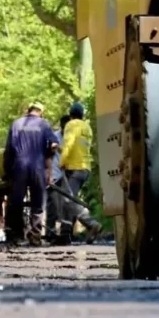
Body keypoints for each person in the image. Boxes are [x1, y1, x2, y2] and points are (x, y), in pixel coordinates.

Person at [3, 101, 59, 246]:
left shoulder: (16, 124)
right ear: (41, 112)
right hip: (37, 167)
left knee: (16, 203)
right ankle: (35, 236)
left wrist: (8, 171)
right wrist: (48, 168)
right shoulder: (44, 124)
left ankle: (17, 236)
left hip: (19, 167)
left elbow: (8, 151)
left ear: (28, 110)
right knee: (38, 202)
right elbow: (53, 145)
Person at [60, 101, 103, 244]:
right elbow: (81, 147)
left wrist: (62, 161)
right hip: (85, 167)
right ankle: (65, 234)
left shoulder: (71, 125)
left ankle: (91, 223)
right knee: (67, 200)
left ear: (71, 115)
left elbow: (69, 143)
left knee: (68, 199)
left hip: (74, 167)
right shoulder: (87, 127)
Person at [46, 114, 75, 245]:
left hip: (69, 173)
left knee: (68, 204)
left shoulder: (74, 137)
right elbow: (49, 156)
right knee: (52, 204)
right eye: (65, 127)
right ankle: (50, 233)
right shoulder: (54, 136)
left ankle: (67, 233)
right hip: (55, 173)